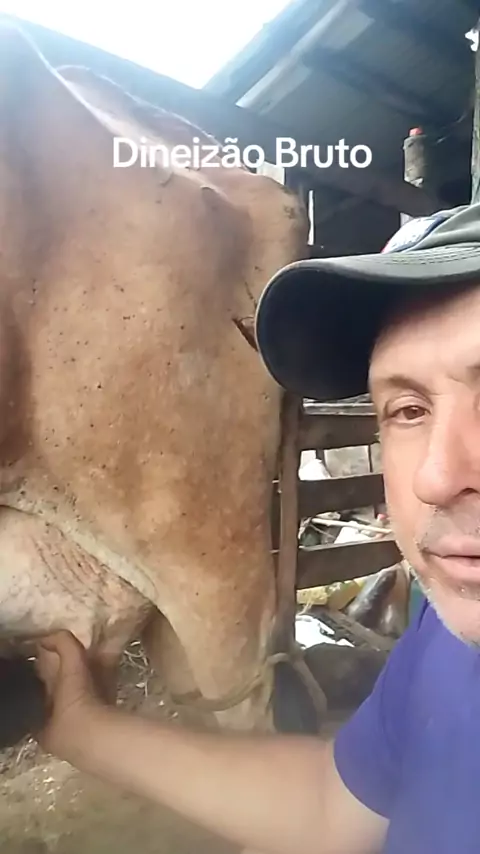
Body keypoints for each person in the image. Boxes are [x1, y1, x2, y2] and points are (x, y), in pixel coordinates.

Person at [34, 203, 480, 854]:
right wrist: (82, 727)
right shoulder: (445, 638)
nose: (436, 477)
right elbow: (332, 805)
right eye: (408, 409)